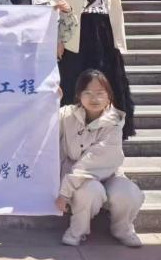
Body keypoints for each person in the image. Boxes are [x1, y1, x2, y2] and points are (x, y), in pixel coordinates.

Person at [44, 0, 135, 139]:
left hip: (103, 32)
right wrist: (57, 38)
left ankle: (107, 136)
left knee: (107, 82)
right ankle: (72, 137)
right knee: (75, 83)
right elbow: (48, 3)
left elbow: (116, 6)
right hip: (75, 34)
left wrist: (118, 40)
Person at [57, 69, 144, 248]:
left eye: (100, 93)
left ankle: (123, 230)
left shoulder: (115, 122)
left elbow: (92, 162)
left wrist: (64, 192)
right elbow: (42, 125)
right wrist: (50, 101)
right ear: (78, 95)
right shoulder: (66, 115)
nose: (94, 98)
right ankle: (77, 231)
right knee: (90, 191)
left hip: (108, 173)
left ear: (109, 96)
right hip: (76, 175)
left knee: (128, 193)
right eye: (87, 93)